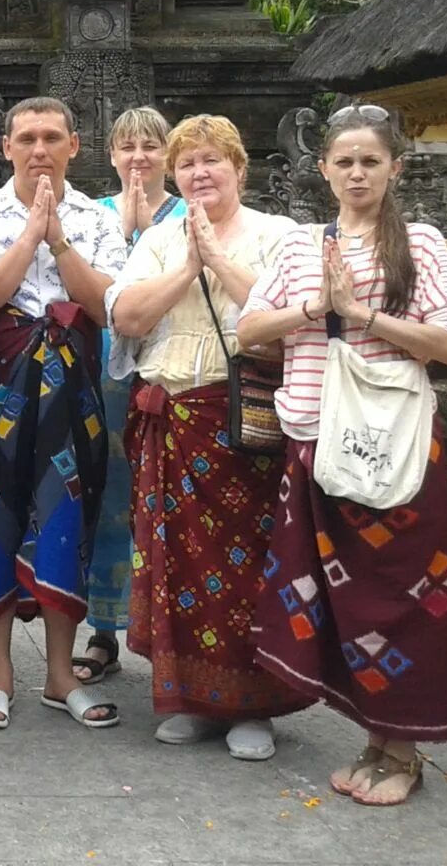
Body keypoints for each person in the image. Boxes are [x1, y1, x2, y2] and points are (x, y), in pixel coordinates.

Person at [237, 105, 447, 806]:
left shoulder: (420, 243)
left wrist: (359, 314)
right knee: (337, 601)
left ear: (395, 167)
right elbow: (249, 329)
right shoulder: (304, 245)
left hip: (393, 450)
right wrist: (314, 308)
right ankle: (374, 741)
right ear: (323, 170)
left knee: (399, 599)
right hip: (315, 443)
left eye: (371, 161)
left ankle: (406, 750)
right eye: (345, 161)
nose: (358, 172)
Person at [106, 114, 305, 761]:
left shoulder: (278, 235)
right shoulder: (162, 239)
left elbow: (283, 325)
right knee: (176, 566)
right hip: (174, 423)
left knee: (250, 564)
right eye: (187, 163)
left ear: (239, 169)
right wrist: (188, 265)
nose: (199, 173)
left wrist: (218, 257)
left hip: (245, 420)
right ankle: (191, 697)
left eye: (211, 161)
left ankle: (255, 706)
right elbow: (127, 314)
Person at [0, 98, 128, 733]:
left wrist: (60, 239)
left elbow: (110, 309)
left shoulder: (99, 220)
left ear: (75, 146)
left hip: (71, 390)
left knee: (65, 513)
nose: (40, 150)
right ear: (6, 147)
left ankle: (58, 672)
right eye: (27, 138)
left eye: (52, 137)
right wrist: (28, 236)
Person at [77, 106, 185, 685]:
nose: (139, 157)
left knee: (161, 504)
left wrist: (149, 232)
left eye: (150, 146)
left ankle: (167, 630)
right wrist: (125, 234)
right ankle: (101, 630)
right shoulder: (93, 216)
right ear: (111, 154)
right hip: (101, 377)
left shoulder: (190, 213)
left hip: (167, 375)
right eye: (128, 147)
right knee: (105, 499)